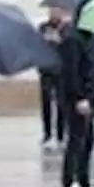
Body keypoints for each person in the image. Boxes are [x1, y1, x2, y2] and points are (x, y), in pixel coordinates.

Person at [49, 2, 94, 187]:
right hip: (75, 99)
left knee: (87, 139)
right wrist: (81, 97)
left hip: (87, 97)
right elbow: (71, 73)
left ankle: (83, 181)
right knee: (76, 140)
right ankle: (69, 183)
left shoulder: (88, 37)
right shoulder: (72, 39)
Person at [37, 18, 65, 149]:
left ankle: (60, 134)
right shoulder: (43, 27)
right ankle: (47, 133)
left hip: (61, 71)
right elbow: (36, 46)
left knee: (61, 103)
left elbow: (69, 47)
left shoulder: (65, 28)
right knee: (46, 102)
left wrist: (60, 40)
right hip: (46, 71)